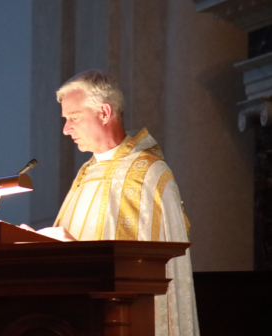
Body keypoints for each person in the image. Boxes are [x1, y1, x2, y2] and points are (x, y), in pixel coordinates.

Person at [21, 70, 200, 336]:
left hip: (126, 318)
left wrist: (74, 249)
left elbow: (141, 264)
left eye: (74, 118)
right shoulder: (87, 171)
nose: (66, 129)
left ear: (104, 113)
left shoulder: (148, 173)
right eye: (66, 119)